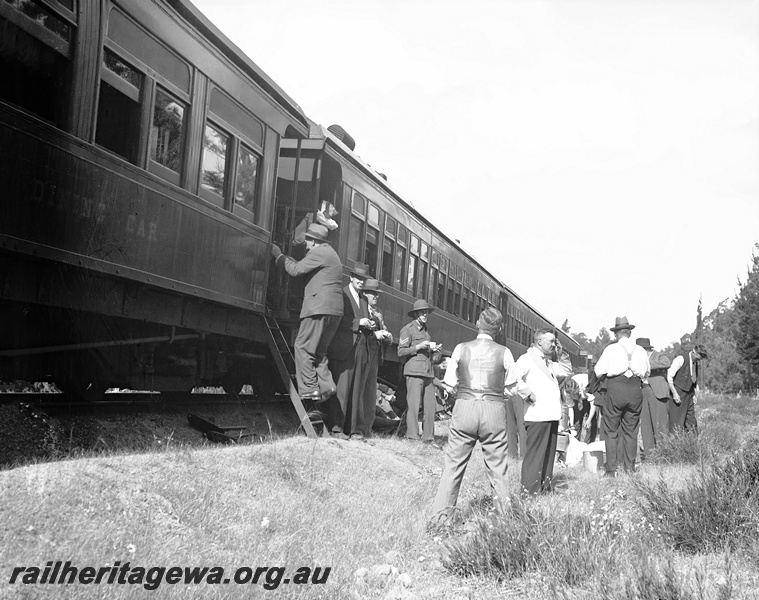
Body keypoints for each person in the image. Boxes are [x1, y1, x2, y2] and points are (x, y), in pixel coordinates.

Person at [429, 308, 518, 526]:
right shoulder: (505, 352)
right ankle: (505, 522)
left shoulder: (461, 349)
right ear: (498, 330)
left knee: (453, 465)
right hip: (494, 410)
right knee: (498, 467)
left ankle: (441, 520)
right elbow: (512, 387)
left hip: (465, 407)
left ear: (478, 323)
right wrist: (496, 395)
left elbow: (449, 385)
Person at [270, 223, 343, 408]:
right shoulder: (330, 253)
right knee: (319, 351)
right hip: (334, 311)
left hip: (318, 308)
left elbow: (296, 270)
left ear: (314, 241)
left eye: (308, 242)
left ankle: (310, 390)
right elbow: (302, 266)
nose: (306, 246)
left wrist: (278, 256)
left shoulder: (318, 253)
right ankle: (326, 386)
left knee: (302, 347)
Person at [515, 328, 572, 494]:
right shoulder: (527, 359)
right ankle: (529, 491)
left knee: (548, 455)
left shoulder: (547, 362)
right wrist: (527, 393)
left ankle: (545, 487)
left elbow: (566, 372)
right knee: (535, 456)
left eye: (555, 342)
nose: (554, 345)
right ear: (539, 341)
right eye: (551, 341)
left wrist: (562, 354)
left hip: (550, 415)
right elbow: (512, 378)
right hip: (537, 414)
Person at [594, 317, 650, 476]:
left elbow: (598, 371)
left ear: (617, 334)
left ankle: (612, 469)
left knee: (611, 430)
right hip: (635, 390)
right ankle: (629, 468)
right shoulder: (640, 350)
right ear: (630, 333)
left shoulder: (611, 349)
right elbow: (647, 372)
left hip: (616, 389)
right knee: (631, 431)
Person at [326, 263, 371, 438]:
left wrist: (369, 325)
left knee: (356, 390)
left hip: (360, 348)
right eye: (358, 278)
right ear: (351, 278)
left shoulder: (364, 299)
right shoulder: (342, 294)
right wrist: (358, 323)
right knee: (342, 389)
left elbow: (363, 320)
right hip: (343, 347)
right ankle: (337, 428)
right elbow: (337, 318)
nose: (361, 282)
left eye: (363, 279)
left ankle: (353, 429)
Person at [345, 279, 393, 440]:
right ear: (364, 293)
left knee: (370, 392)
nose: (376, 297)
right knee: (360, 390)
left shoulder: (377, 313)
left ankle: (366, 428)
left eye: (377, 294)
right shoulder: (360, 308)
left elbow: (384, 331)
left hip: (374, 356)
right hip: (361, 353)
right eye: (373, 293)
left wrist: (387, 337)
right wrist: (375, 335)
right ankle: (357, 428)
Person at [398, 299, 441, 444]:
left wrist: (434, 351)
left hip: (428, 373)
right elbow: (401, 352)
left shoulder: (426, 331)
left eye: (426, 312)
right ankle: (412, 436)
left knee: (430, 407)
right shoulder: (407, 329)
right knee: (414, 405)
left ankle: (428, 437)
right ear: (416, 314)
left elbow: (426, 352)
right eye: (422, 312)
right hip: (414, 372)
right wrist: (418, 347)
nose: (425, 314)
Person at [636, 337, 672, 457]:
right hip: (642, 391)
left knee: (660, 424)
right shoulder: (637, 358)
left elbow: (667, 363)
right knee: (646, 425)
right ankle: (649, 454)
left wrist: (646, 363)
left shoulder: (659, 355)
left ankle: (663, 454)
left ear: (646, 349)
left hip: (657, 392)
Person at [667, 344, 708, 434]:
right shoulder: (681, 359)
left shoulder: (695, 363)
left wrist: (693, 395)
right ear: (694, 351)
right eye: (697, 357)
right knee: (676, 421)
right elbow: (669, 376)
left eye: (700, 359)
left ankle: (692, 443)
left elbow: (692, 379)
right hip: (678, 392)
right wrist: (674, 393)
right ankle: (673, 445)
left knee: (691, 421)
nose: (698, 360)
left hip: (689, 394)